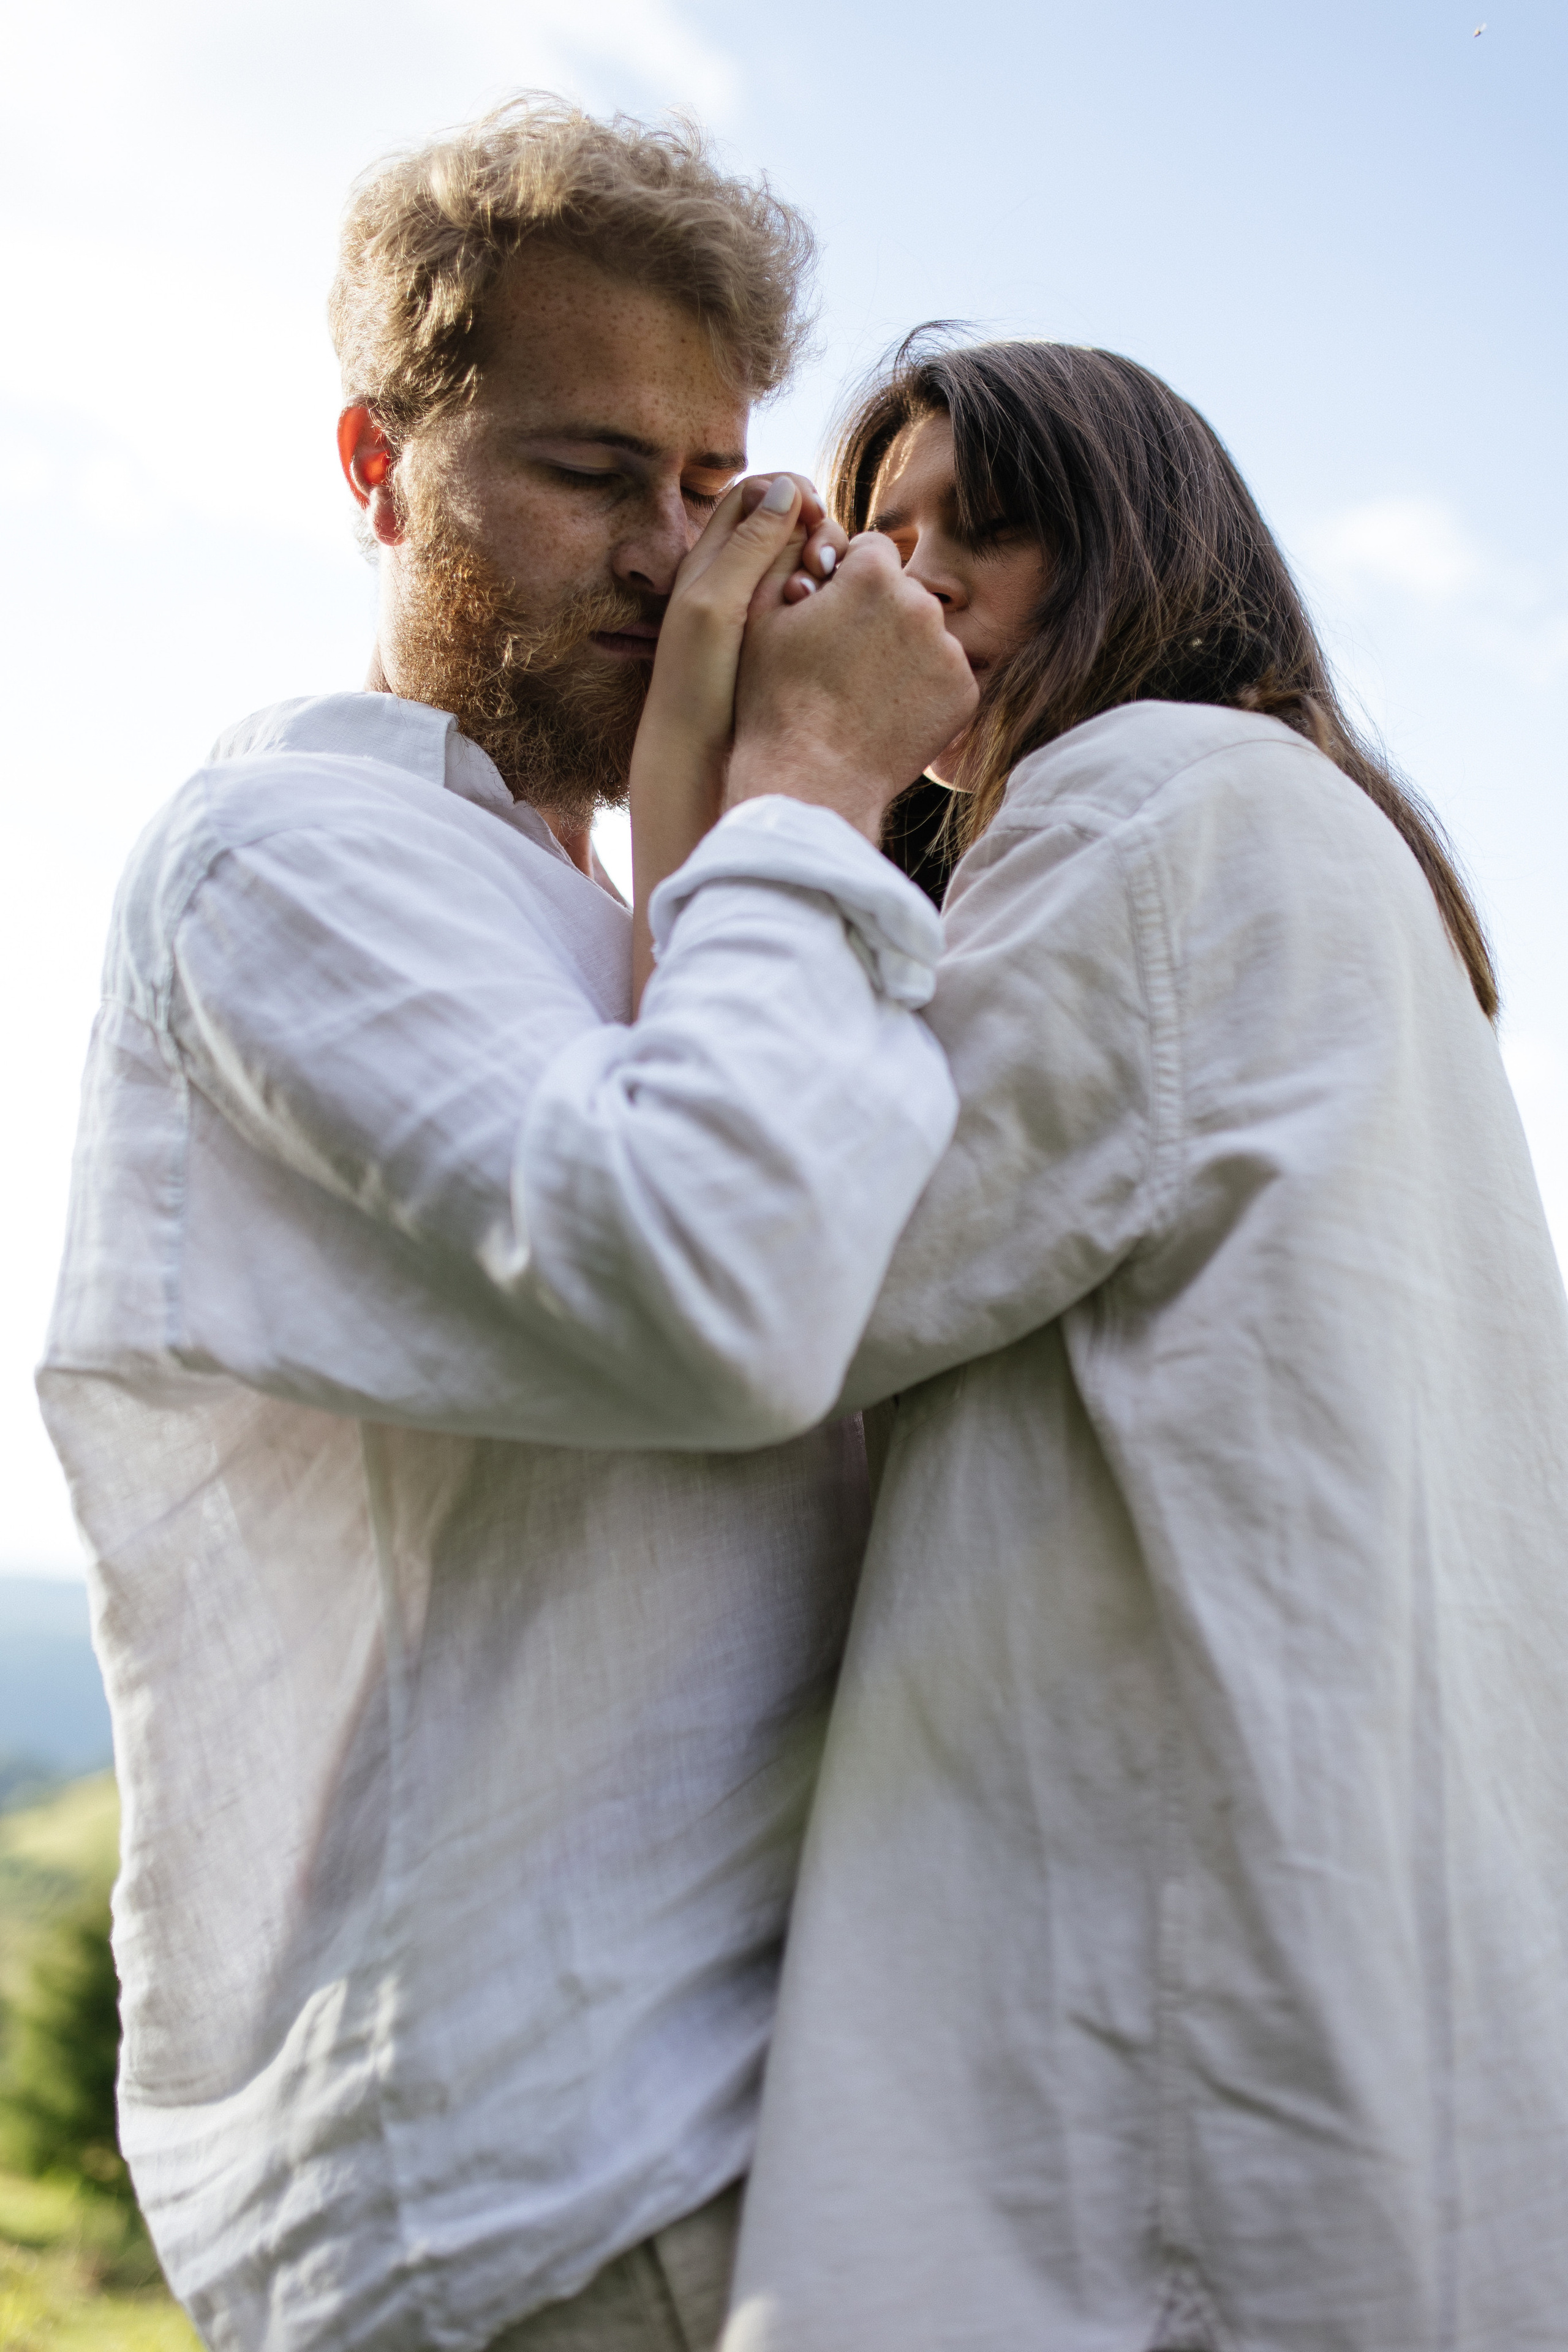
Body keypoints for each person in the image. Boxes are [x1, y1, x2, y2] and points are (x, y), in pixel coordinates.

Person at [37, 108, 976, 2352]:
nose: (668, 553)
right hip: (535, 2179)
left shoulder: (626, 910)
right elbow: (718, 1296)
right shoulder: (286, 853)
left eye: (713, 483)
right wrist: (813, 790)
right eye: (588, 472)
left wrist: (723, 839)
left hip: (731, 2135)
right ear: (379, 467)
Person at [627, 336, 1568, 2350]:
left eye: (991, 527)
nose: (920, 579)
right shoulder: (1317, 831)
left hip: (1159, 1949)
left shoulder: (1138, 803)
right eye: (882, 538)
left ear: (1145, 542)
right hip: (1350, 1889)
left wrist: (751, 773)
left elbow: (773, 1264)